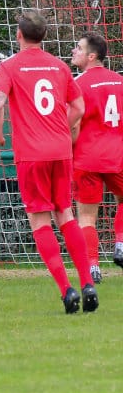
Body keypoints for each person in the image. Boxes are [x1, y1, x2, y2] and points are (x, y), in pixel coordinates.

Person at [0, 12, 97, 314]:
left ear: (19, 35)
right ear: (44, 36)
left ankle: (67, 291)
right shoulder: (59, 66)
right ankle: (88, 283)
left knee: (40, 220)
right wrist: (61, 128)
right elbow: (78, 107)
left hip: (32, 154)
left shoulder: (9, 66)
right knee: (66, 214)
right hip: (61, 150)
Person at [69, 32, 123, 283]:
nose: (74, 51)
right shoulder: (120, 82)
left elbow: (74, 125)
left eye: (79, 48)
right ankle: (120, 243)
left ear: (92, 56)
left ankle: (92, 267)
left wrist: (69, 150)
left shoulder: (77, 84)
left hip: (86, 157)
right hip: (117, 155)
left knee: (87, 217)